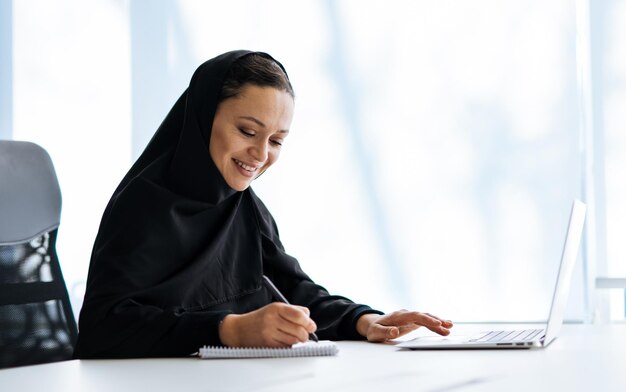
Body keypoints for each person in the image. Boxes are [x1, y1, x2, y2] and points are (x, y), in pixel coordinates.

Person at [73, 50, 453, 358]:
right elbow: (104, 329)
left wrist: (365, 320)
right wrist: (231, 329)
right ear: (204, 118)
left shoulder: (244, 205)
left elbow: (293, 293)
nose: (260, 154)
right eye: (248, 131)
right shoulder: (144, 205)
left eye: (276, 141)